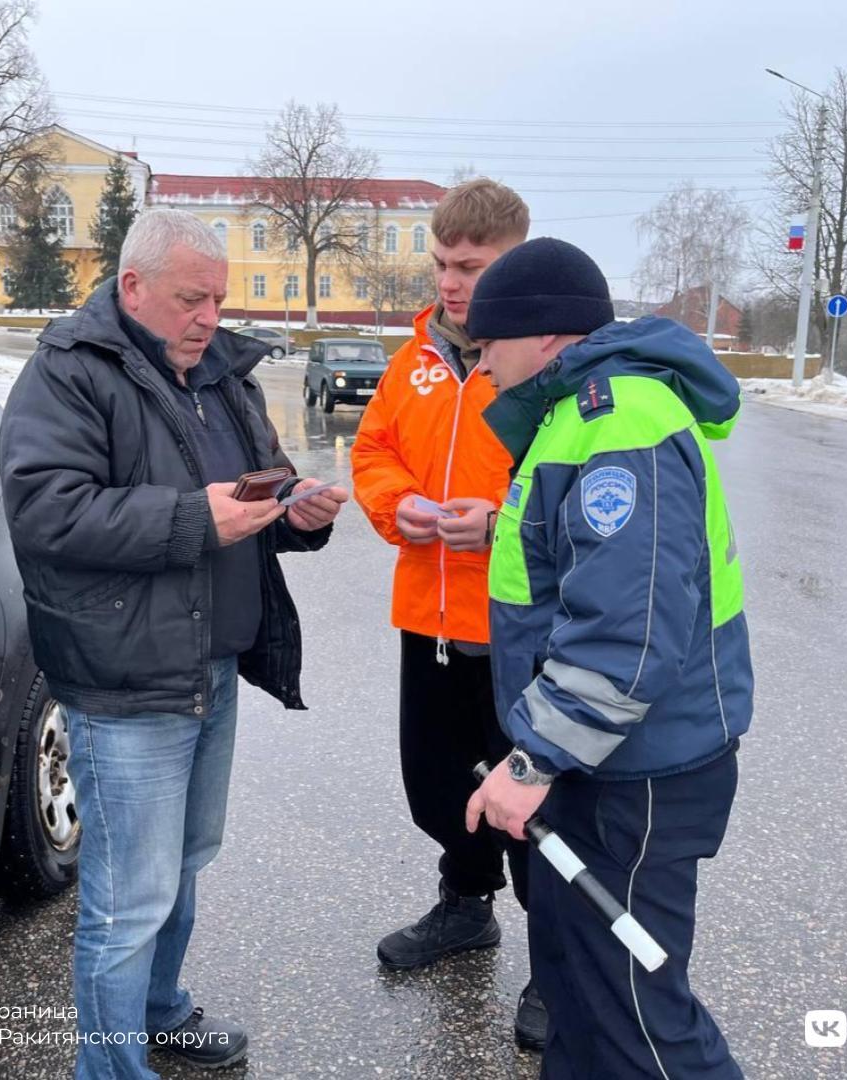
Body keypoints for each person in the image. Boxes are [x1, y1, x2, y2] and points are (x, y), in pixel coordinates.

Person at [0, 208, 348, 1080]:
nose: (208, 317)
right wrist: (200, 517)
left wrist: (293, 512)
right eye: (193, 298)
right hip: (127, 684)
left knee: (183, 868)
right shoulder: (71, 372)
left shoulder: (224, 373)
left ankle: (160, 1014)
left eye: (219, 300)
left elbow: (255, 488)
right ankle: (109, 1069)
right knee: (127, 900)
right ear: (133, 287)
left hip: (210, 671)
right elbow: (46, 510)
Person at [464, 237, 754, 1079]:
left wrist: (533, 758)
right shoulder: (571, 413)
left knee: (639, 1021)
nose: (478, 366)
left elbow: (629, 629)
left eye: (486, 346)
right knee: (581, 1002)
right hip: (600, 766)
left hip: (638, 775)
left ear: (544, 335)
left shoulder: (617, 417)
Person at [350, 178, 547, 1048]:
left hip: (514, 632)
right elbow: (373, 449)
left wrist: (498, 526)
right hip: (425, 620)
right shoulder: (415, 359)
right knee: (437, 786)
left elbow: (567, 497)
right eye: (441, 263)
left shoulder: (542, 368)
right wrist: (403, 506)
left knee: (532, 804)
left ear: (515, 262)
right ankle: (466, 908)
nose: (450, 282)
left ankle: (558, 963)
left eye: (470, 266)